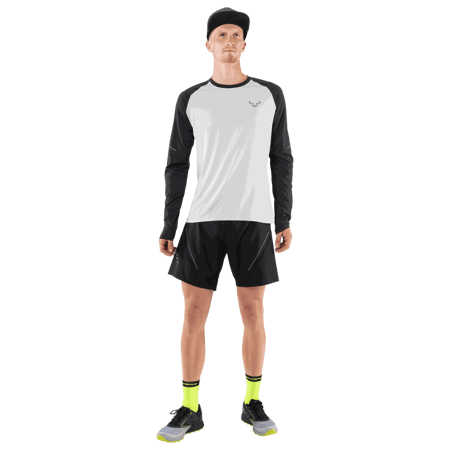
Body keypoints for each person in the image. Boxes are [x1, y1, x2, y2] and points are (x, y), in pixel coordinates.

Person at [156, 7, 294, 443]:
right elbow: (177, 163)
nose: (229, 40)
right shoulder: (191, 98)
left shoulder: (269, 94)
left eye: (236, 35)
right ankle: (190, 408)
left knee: (253, 311)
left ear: (244, 45)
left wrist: (284, 217)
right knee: (193, 314)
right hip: (203, 219)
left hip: (255, 217)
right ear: (209, 45)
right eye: (222, 35)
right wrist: (168, 225)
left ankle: (253, 401)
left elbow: (281, 157)